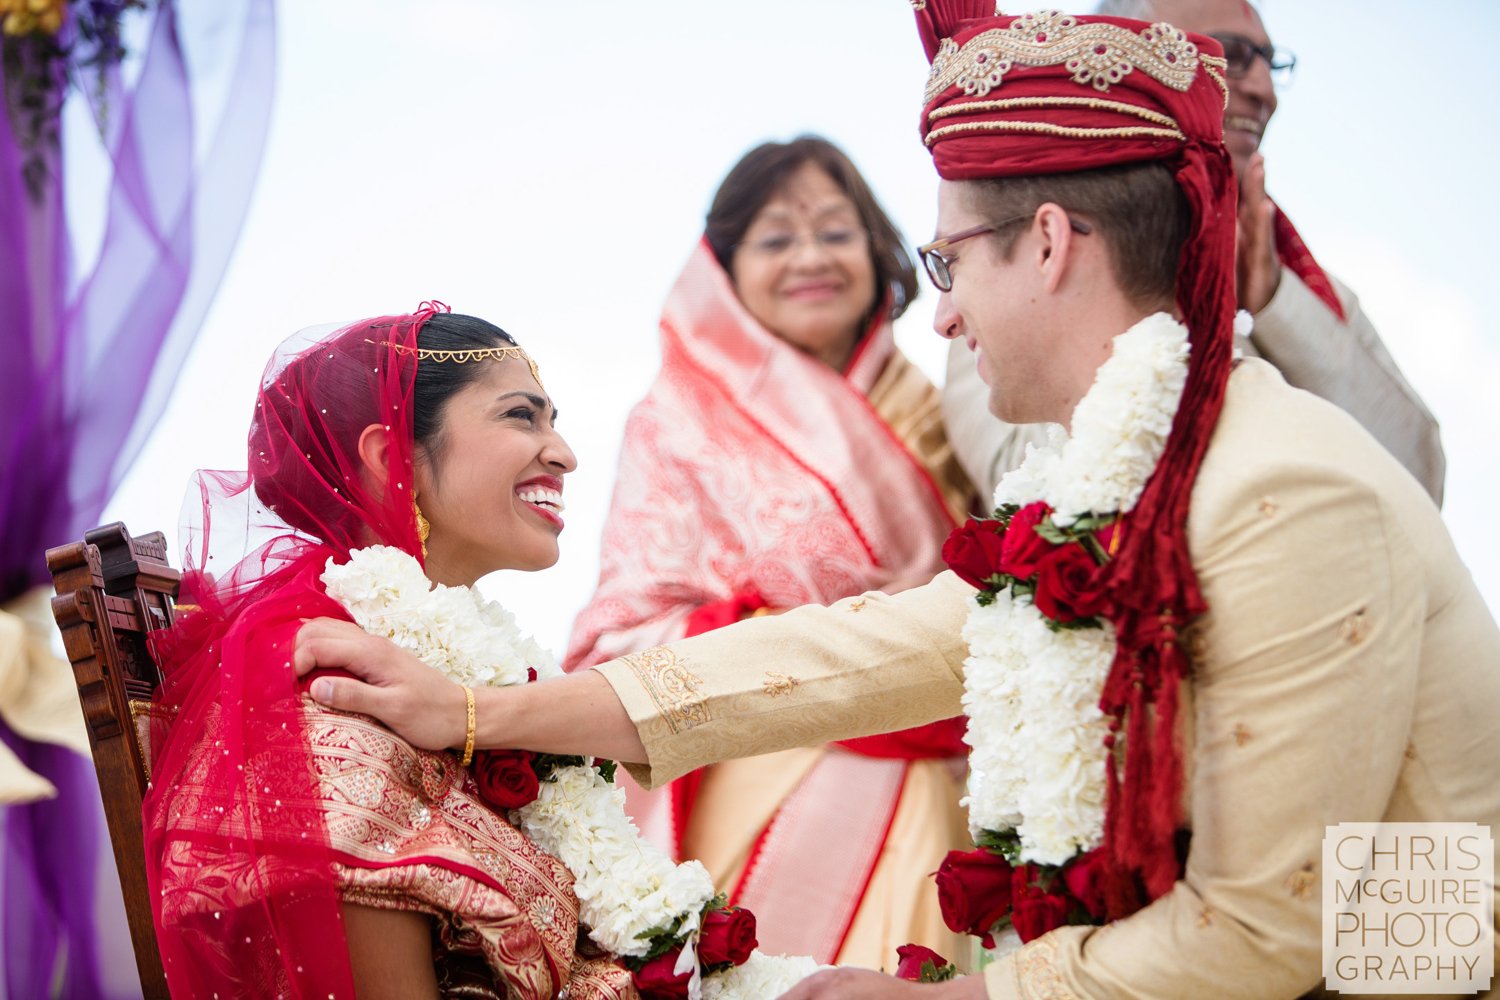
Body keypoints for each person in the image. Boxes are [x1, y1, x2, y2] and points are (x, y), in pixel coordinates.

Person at [294, 7, 1500, 998]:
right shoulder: (1134, 476)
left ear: (1045, 244)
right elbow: (866, 649)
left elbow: (1270, 935)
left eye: (946, 262)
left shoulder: (1280, 487)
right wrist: (482, 711)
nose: (943, 316)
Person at [565, 135, 976, 968]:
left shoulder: (947, 408)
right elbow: (623, 628)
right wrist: (779, 636)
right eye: (777, 238)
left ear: (875, 246)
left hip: (932, 765)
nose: (811, 257)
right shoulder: (675, 420)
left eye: (834, 230)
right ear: (725, 268)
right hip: (753, 761)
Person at [143, 305, 636, 999]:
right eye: (522, 417)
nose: (563, 453)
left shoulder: (456, 681)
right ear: (390, 457)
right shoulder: (330, 701)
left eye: (553, 421)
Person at [942, 0, 1446, 507]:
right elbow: (1027, 495)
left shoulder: (1307, 288)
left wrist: (1275, 303)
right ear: (1125, 60)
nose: (1264, 89)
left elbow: (1417, 477)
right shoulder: (1013, 274)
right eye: (1232, 55)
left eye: (1272, 63)